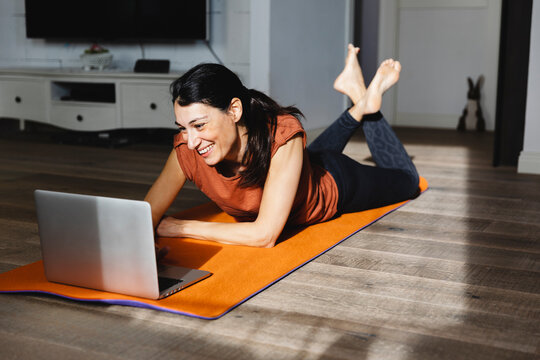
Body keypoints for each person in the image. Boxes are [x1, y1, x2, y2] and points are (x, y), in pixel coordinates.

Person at [144, 44, 419, 248]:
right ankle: (359, 103)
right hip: (302, 167)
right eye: (182, 127)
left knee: (408, 182)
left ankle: (366, 105)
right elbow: (144, 217)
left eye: (200, 125)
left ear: (234, 110)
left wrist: (179, 227)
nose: (190, 141)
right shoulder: (186, 149)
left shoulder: (282, 135)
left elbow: (264, 235)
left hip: (334, 184)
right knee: (309, 157)